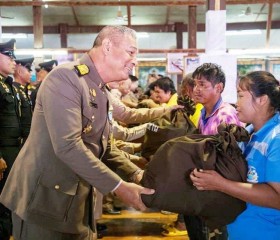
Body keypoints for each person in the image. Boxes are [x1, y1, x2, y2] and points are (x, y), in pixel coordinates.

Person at [0, 25, 154, 240]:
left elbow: (104, 145)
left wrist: (136, 174)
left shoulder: (101, 89)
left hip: (77, 202)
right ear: (108, 46)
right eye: (131, 52)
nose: (134, 61)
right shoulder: (66, 79)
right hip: (43, 203)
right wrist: (119, 187)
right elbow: (68, 146)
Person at [191, 70, 280, 240]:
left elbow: (277, 198)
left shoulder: (276, 138)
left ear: (262, 100)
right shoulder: (248, 133)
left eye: (241, 96)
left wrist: (221, 184)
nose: (236, 102)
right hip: (240, 230)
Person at [184, 63, 244, 240]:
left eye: (202, 84)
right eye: (195, 84)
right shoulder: (204, 112)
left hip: (219, 193)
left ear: (219, 87)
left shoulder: (225, 116)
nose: (196, 89)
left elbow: (232, 160)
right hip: (206, 187)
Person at [0, 38, 20, 240]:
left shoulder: (7, 85)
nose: (13, 61)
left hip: (12, 151)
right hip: (3, 153)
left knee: (8, 202)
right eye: (9, 56)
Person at [13, 57, 34, 143]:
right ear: (20, 72)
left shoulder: (23, 90)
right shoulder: (14, 90)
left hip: (28, 136)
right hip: (20, 138)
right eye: (28, 71)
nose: (31, 74)